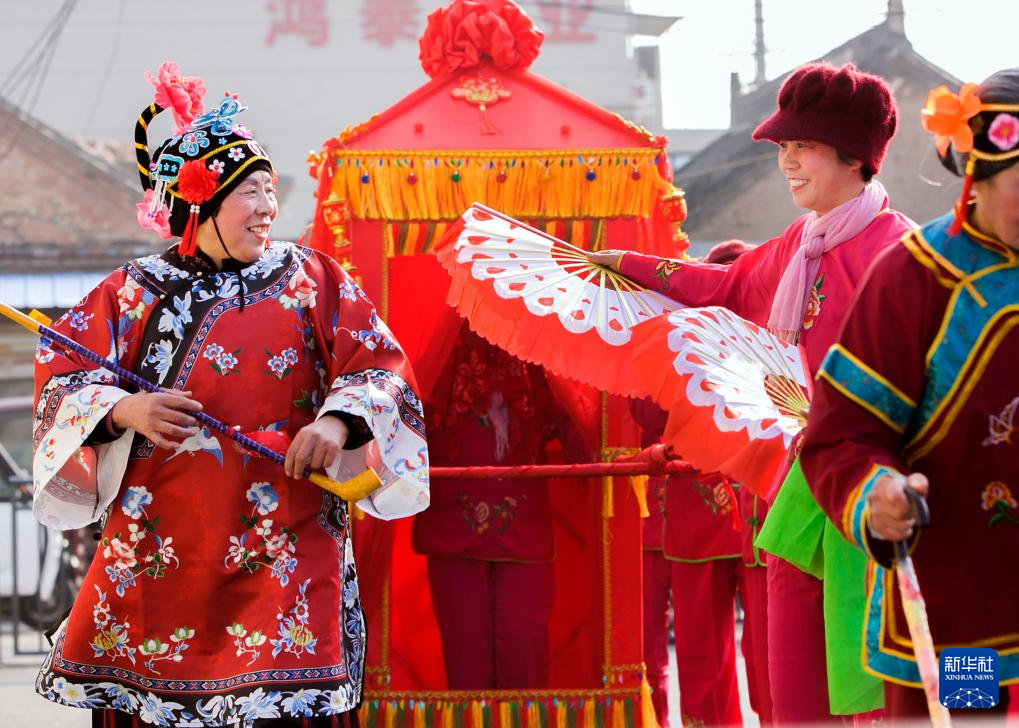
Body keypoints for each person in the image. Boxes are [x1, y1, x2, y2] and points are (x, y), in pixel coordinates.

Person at [30, 63, 429, 727]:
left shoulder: (312, 280)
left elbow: (380, 369)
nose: (268, 206)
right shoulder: (130, 292)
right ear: (198, 202)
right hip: (163, 548)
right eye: (249, 190)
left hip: (288, 541)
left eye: (270, 189)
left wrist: (335, 424)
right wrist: (123, 408)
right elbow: (61, 377)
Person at [589, 62, 912, 722]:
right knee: (796, 693)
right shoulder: (799, 244)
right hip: (799, 492)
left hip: (875, 495)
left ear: (855, 157)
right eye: (783, 148)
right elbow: (725, 287)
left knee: (891, 688)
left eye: (803, 147)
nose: (786, 163)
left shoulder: (900, 251)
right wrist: (625, 264)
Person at [800, 68, 1019, 722]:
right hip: (964, 618)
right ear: (977, 176)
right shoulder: (916, 277)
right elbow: (843, 433)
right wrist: (877, 492)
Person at [634, 240, 772, 728]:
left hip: (763, 516)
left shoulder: (778, 336)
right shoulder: (684, 339)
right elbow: (645, 413)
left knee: (771, 655)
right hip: (698, 516)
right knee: (700, 657)